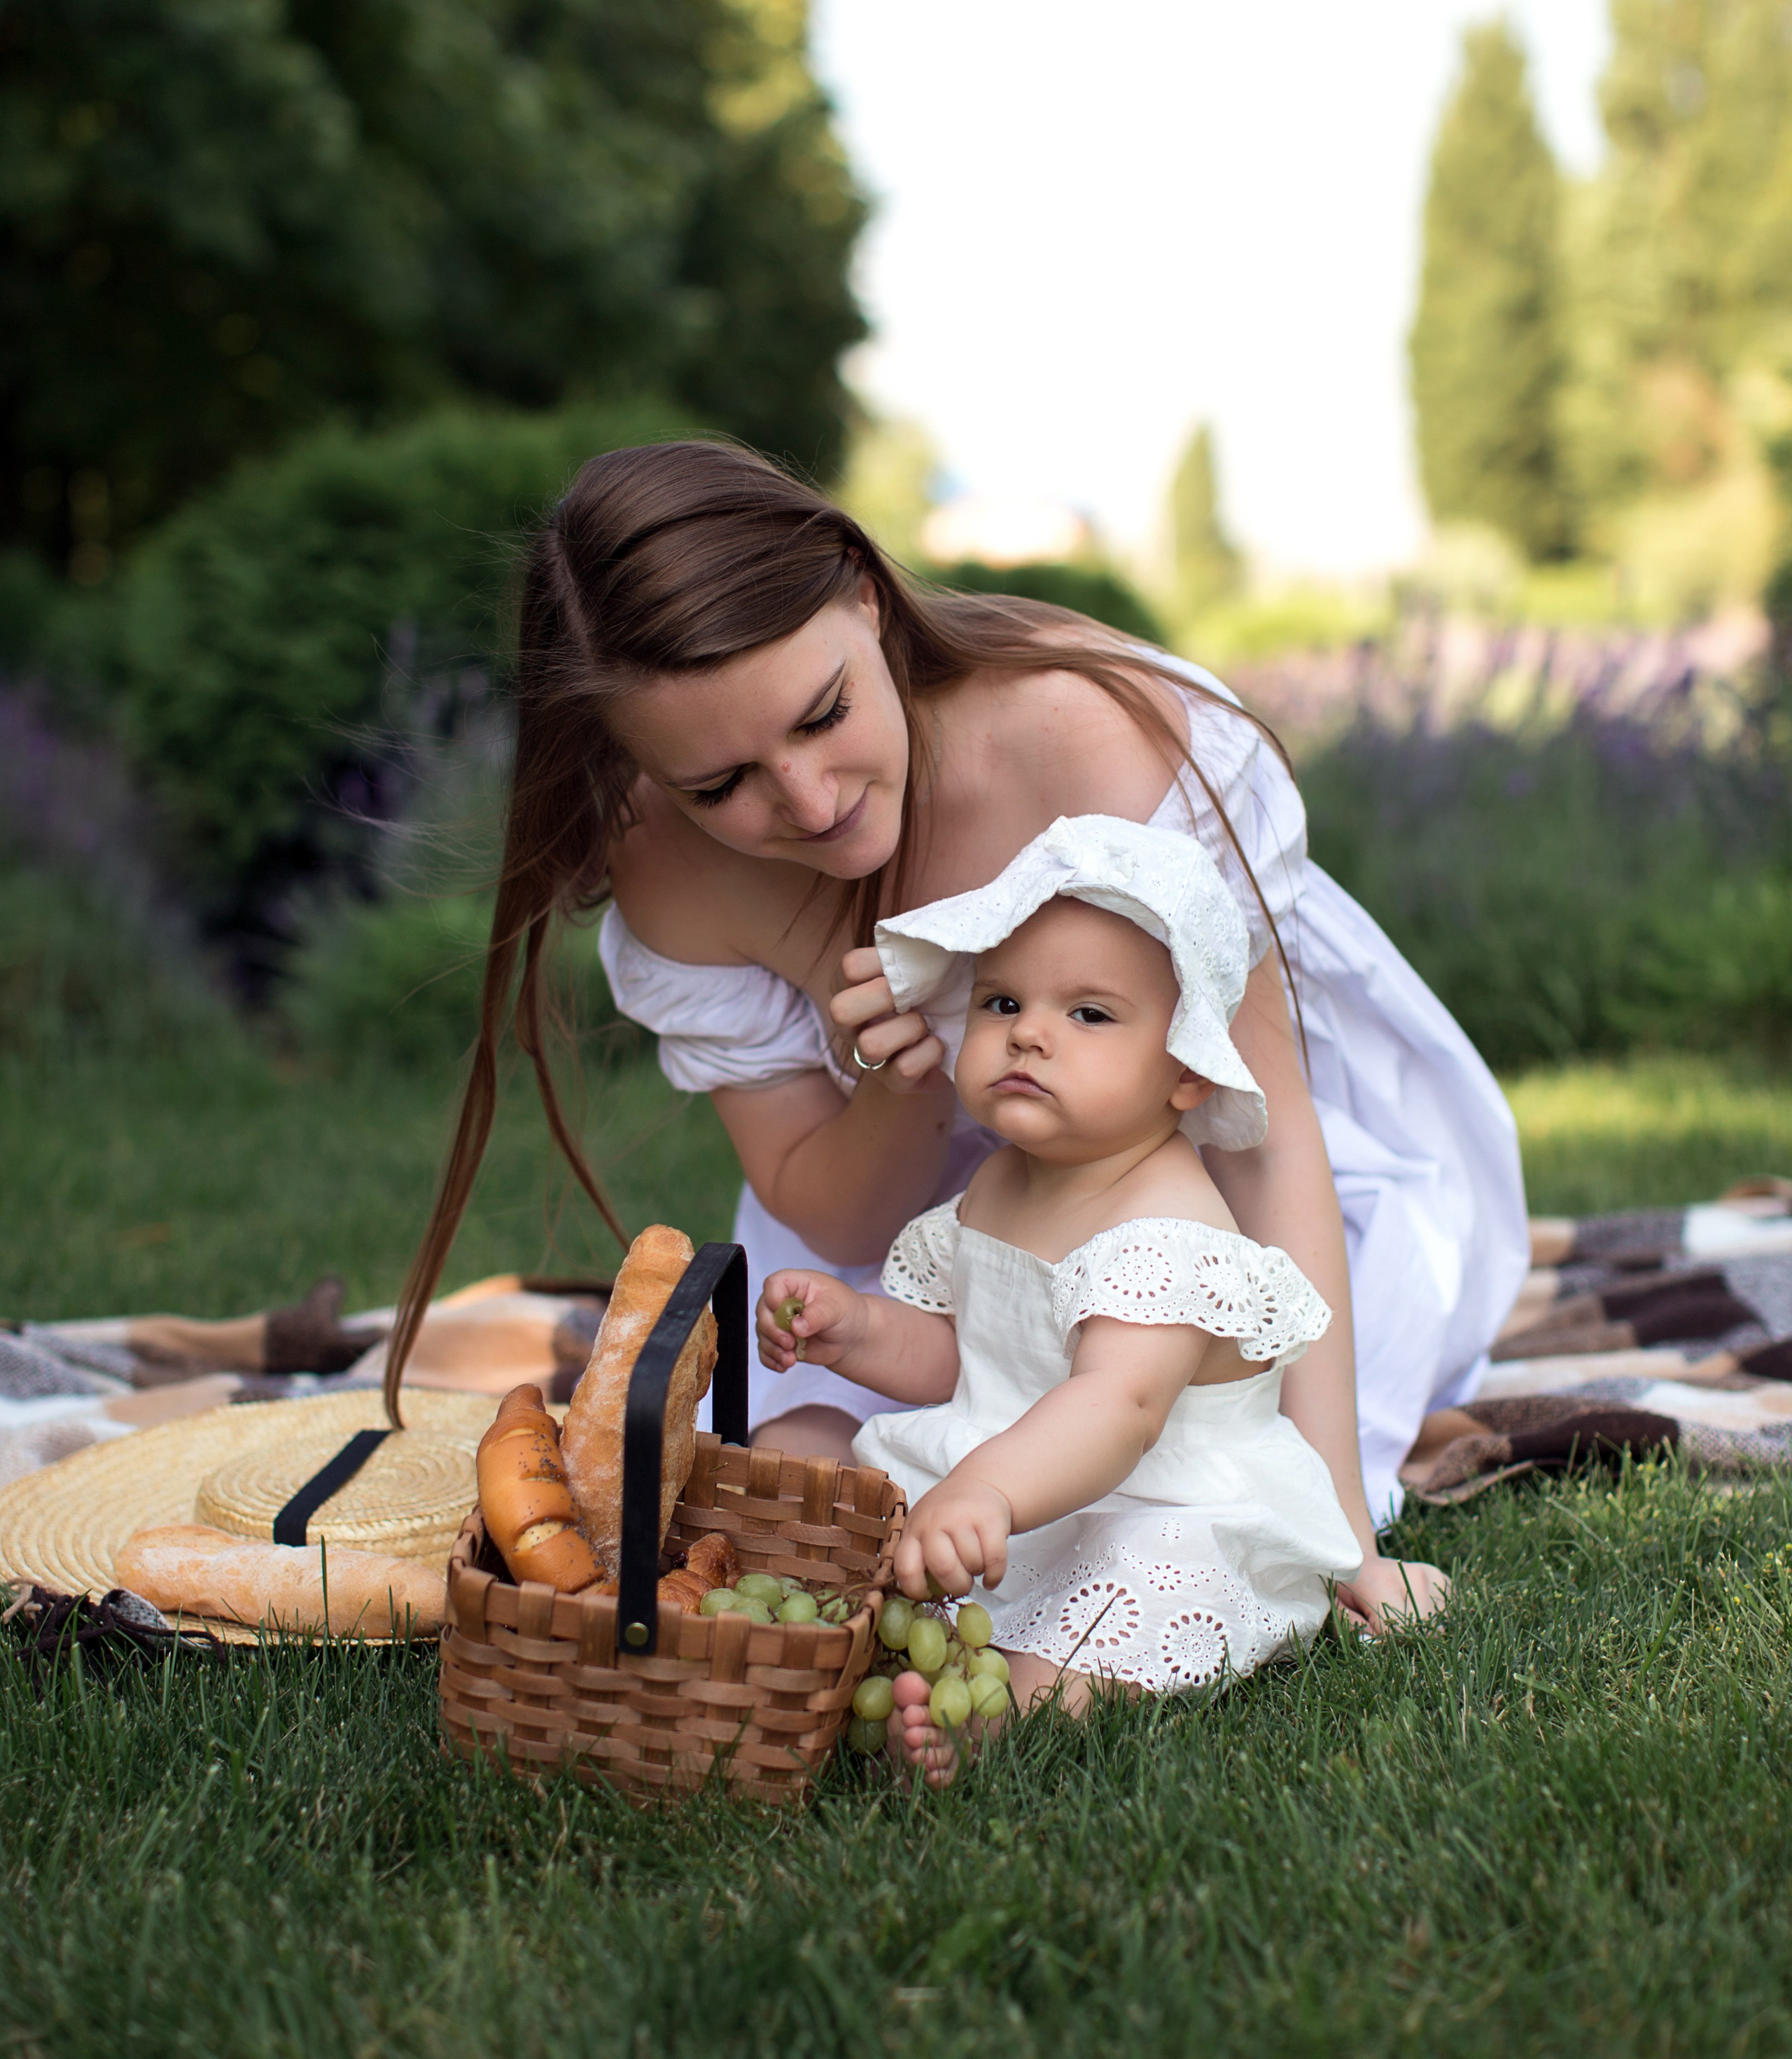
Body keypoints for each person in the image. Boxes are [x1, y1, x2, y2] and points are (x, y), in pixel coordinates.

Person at [384, 440, 1529, 1634]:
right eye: (722, 784)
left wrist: (1336, 1526)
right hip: (925, 1238)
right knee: (828, 1471)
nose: (811, 802)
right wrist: (895, 1084)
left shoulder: (1092, 742)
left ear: (866, 599)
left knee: (1193, 1465)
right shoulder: (669, 868)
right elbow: (835, 1220)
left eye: (825, 715)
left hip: (1196, 1185)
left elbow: (1267, 1145)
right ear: (641, 769)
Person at [754, 816, 1364, 1783]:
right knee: (807, 1444)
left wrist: (989, 1491)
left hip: (1144, 1499)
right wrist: (858, 1326)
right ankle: (843, 1628)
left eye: (1089, 1014)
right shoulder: (1004, 1181)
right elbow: (967, 1353)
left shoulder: (1169, 1222)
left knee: (1135, 1591)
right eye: (1001, 1001)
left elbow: (1116, 1409)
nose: (1029, 1033)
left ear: (1186, 1075)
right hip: (1001, 1480)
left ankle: (1012, 1707)